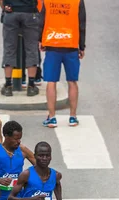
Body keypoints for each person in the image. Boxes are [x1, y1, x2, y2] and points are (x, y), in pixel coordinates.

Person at [39, 0, 86, 128]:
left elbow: (41, 19)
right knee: (72, 81)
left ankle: (52, 117)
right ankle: (73, 117)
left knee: (51, 82)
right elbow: (82, 24)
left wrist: (41, 40)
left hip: (52, 44)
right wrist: (81, 46)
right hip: (71, 44)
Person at [0, 0, 39, 97]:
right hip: (29, 13)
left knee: (9, 48)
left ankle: (8, 85)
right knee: (31, 48)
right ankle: (31, 85)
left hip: (11, 12)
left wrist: (4, 7)